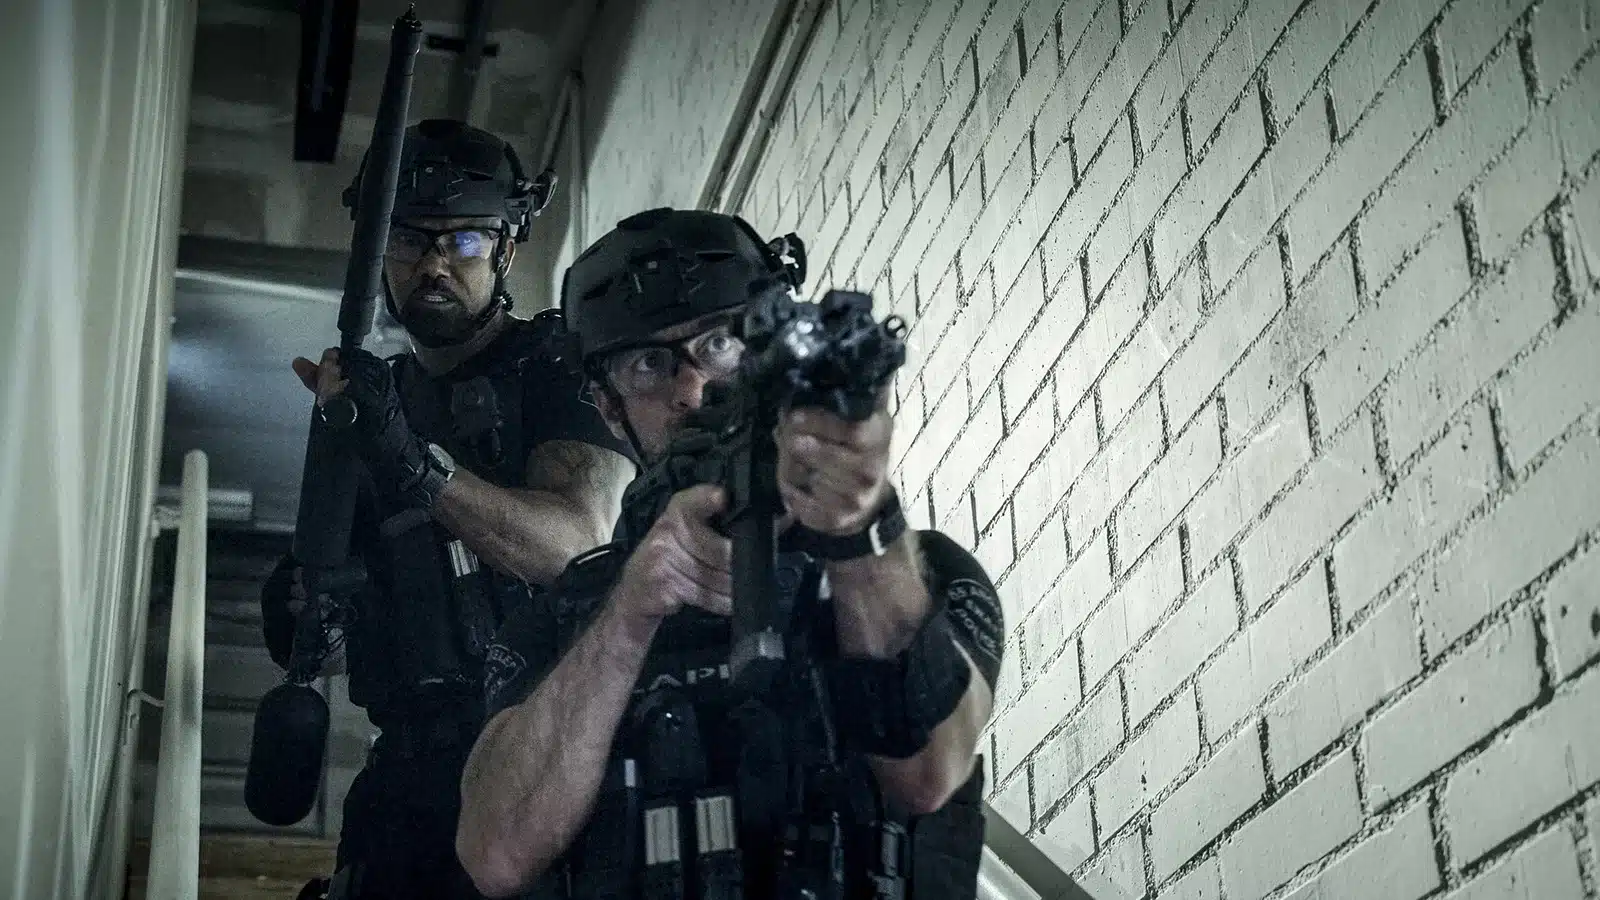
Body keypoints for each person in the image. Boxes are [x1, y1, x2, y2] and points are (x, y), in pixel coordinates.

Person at [455, 207, 1005, 899]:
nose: (692, 390)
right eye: (649, 364)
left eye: (718, 343)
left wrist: (858, 531)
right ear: (607, 404)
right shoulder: (559, 618)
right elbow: (496, 854)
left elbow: (928, 774)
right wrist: (628, 615)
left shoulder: (921, 572)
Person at [259, 119, 637, 899]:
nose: (433, 264)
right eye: (408, 239)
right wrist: (305, 604)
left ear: (507, 250)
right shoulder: (371, 400)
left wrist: (414, 465)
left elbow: (575, 545)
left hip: (544, 756)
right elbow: (348, 621)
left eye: (463, 241)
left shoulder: (555, 365)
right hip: (405, 780)